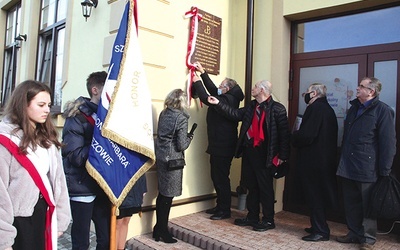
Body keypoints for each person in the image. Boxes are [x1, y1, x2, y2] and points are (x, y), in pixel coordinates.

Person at [207, 80, 290, 232]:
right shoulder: (252, 106)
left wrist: (282, 156)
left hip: (266, 154)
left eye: (256, 87)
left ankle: (268, 220)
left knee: (265, 188)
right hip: (250, 151)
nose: (253, 89)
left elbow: (284, 135)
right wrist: (218, 103)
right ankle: (252, 216)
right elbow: (234, 114)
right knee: (251, 185)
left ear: (263, 90)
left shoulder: (277, 109)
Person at [0, 80, 71, 250]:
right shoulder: (5, 140)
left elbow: (58, 181)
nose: (47, 109)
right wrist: (4, 238)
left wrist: (61, 218)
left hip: (42, 215)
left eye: (49, 104)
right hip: (17, 220)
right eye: (41, 104)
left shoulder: (47, 139)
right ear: (23, 104)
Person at [336, 77, 396, 250]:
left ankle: (368, 239)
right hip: (348, 165)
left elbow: (388, 142)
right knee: (351, 202)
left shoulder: (382, 110)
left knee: (368, 205)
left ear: (371, 91)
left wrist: (385, 170)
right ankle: (354, 233)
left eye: (361, 86)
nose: (357, 88)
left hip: (367, 167)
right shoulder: (354, 108)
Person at [62, 71, 111, 250]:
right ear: (95, 90)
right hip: (82, 186)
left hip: (102, 186)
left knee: (106, 239)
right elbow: (74, 154)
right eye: (109, 88)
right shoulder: (76, 117)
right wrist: (101, 150)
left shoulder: (108, 116)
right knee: (81, 242)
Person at [192, 61, 244, 220]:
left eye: (222, 85)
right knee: (217, 177)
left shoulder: (228, 100)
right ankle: (220, 206)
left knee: (221, 178)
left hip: (223, 147)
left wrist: (197, 82)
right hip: (218, 145)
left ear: (227, 89)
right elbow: (214, 90)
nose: (219, 87)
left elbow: (207, 98)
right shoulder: (228, 96)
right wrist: (203, 72)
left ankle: (224, 210)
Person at [291, 83, 338, 242]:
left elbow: (308, 135)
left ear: (314, 94)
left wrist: (294, 137)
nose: (305, 94)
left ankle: (320, 230)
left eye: (307, 92)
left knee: (315, 196)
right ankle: (317, 226)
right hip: (322, 161)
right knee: (317, 196)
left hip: (314, 162)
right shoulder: (327, 109)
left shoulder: (316, 108)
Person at [153, 89, 194, 243]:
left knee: (162, 194)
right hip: (173, 161)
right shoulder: (181, 117)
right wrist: (190, 137)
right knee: (167, 197)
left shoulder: (164, 113)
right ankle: (162, 230)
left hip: (161, 156)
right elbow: (182, 144)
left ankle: (159, 228)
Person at [116, 175, 147, 250]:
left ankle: (121, 248)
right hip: (120, 187)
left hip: (134, 188)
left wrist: (143, 188)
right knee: (117, 223)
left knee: (126, 220)